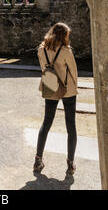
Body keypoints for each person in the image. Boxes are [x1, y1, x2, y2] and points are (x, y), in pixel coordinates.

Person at [34, 22, 78, 175]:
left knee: (46, 122)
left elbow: (43, 68)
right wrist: (74, 87)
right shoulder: (66, 51)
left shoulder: (41, 49)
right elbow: (73, 71)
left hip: (50, 83)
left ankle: (38, 160)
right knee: (70, 125)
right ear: (63, 35)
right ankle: (70, 163)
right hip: (67, 87)